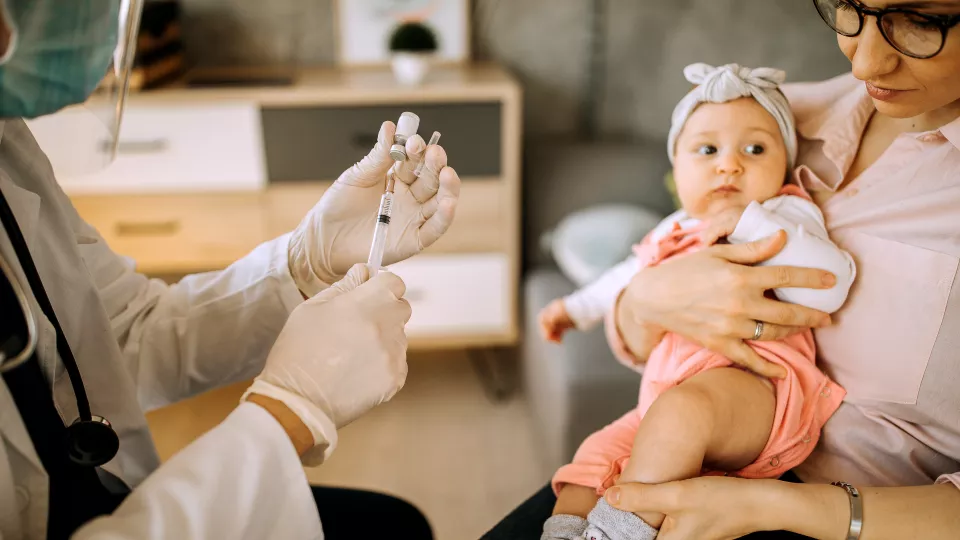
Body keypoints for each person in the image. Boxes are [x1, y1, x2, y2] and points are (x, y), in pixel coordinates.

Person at [484, 0, 960, 538]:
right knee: (586, 464)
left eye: (922, 22)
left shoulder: (776, 191)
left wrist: (781, 510)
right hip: (677, 429)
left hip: (845, 507)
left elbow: (823, 281)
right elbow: (633, 297)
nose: (866, 63)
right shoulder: (783, 112)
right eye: (851, 8)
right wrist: (640, 301)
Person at [0, 1, 460, 538]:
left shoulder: (9, 149)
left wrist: (307, 258)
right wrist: (290, 411)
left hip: (99, 485)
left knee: (397, 526)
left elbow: (124, 330)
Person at [536, 63, 855, 540]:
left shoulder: (785, 212)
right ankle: (564, 532)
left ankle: (618, 534)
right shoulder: (673, 230)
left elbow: (830, 283)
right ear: (677, 170)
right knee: (593, 457)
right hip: (663, 403)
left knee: (682, 415)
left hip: (755, 390)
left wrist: (749, 223)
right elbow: (624, 277)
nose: (729, 164)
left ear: (784, 167)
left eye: (755, 149)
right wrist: (575, 308)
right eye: (707, 149)